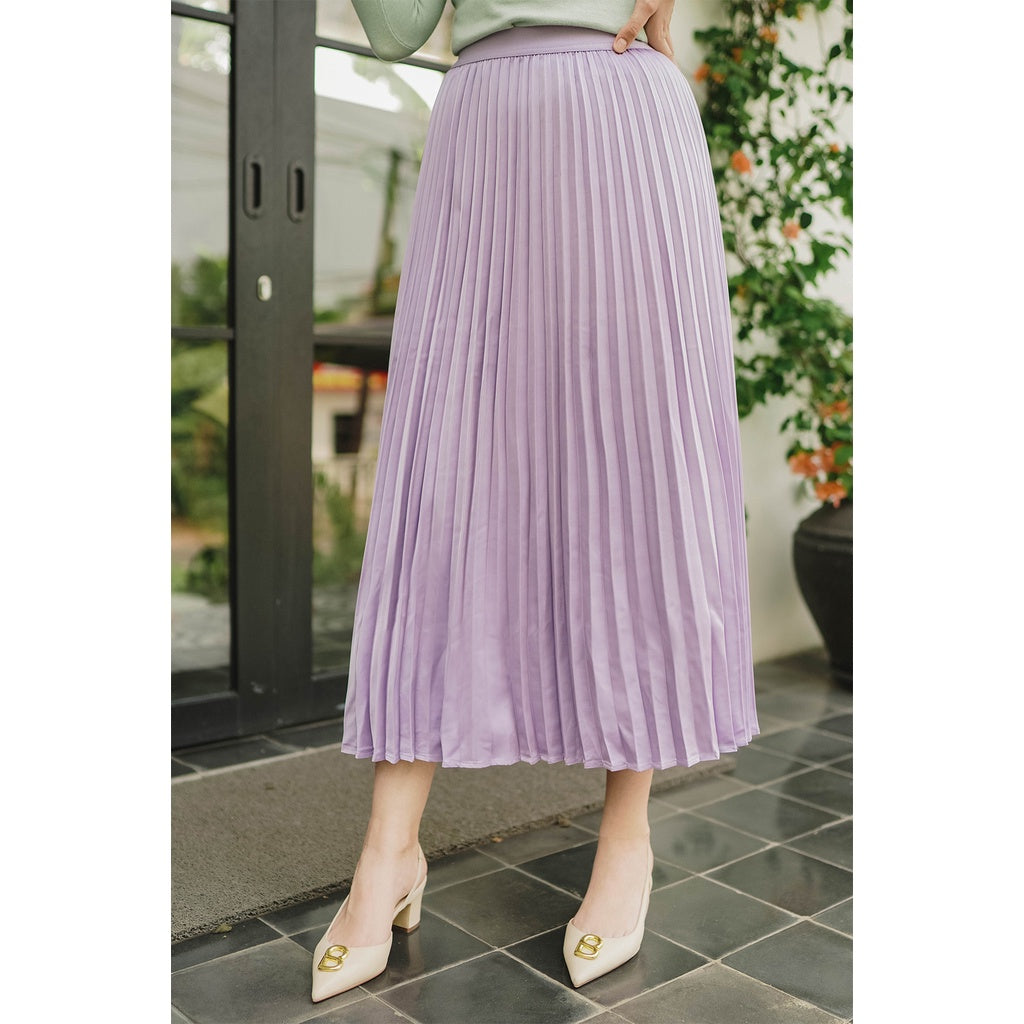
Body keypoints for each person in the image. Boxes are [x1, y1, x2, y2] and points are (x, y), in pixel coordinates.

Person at [312, 0, 761, 1003]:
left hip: (621, 107)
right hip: (483, 123)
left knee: (636, 467)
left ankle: (628, 835)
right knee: (442, 474)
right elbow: (394, 27)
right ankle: (388, 852)